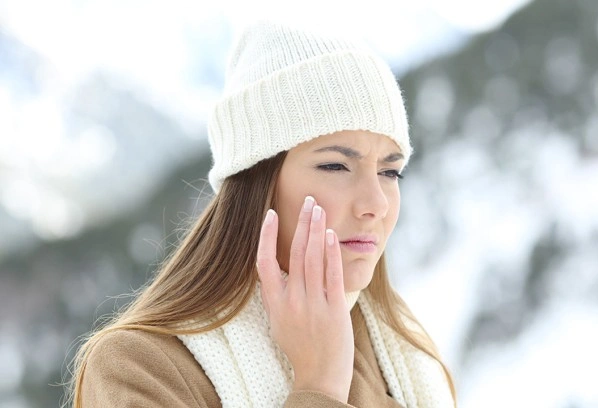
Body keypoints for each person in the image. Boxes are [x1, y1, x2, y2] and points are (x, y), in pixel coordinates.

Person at [67, 20, 456, 408]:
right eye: (336, 167)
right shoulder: (139, 369)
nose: (377, 203)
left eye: (390, 171)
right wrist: (319, 386)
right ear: (257, 182)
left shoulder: (404, 355)